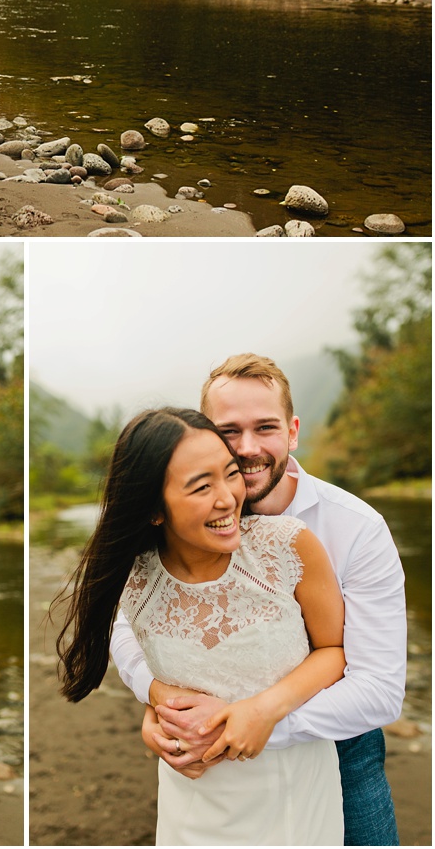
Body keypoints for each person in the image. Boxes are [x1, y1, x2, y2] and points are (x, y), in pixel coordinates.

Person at [111, 353, 406, 846]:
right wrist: (159, 697)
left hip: (337, 748)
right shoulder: (175, 519)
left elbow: (377, 688)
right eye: (229, 431)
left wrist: (253, 719)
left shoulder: (356, 529)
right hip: (205, 774)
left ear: (292, 432)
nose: (248, 449)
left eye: (265, 428)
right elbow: (131, 624)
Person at [57, 407, 347, 846]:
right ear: (154, 509)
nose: (228, 498)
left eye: (229, 474)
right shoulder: (134, 580)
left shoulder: (286, 547)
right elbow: (153, 658)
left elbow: (334, 651)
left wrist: (264, 709)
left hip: (292, 793)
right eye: (201, 486)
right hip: (191, 798)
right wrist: (156, 707)